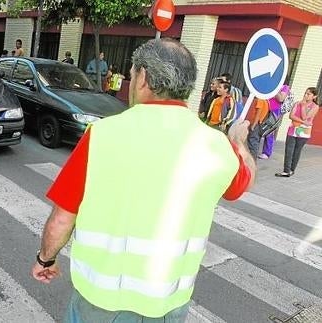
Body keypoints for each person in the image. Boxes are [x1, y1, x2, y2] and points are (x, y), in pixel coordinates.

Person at [31, 38, 255, 322]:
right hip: (170, 305)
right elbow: (242, 184)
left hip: (102, 302)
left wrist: (45, 259)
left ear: (144, 77)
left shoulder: (103, 135)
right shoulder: (217, 145)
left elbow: (63, 217)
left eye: (133, 72)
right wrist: (239, 143)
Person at [275, 87, 319, 177]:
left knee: (297, 151)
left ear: (314, 96)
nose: (305, 95)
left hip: (304, 132)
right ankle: (286, 170)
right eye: (305, 93)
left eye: (309, 94)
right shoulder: (297, 103)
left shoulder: (315, 106)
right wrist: (303, 122)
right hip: (293, 129)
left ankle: (292, 169)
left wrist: (303, 106)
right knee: (289, 150)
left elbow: (305, 116)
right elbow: (291, 116)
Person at [259, 84, 291, 159]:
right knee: (259, 126)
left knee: (270, 130)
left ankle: (267, 152)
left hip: (275, 110)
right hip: (265, 106)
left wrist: (274, 89)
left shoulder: (285, 87)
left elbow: (281, 99)